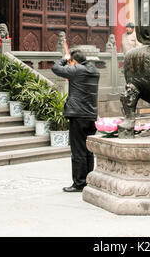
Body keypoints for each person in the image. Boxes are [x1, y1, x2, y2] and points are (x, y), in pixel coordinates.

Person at [52, 50, 100, 192]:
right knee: (88, 151)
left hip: (78, 115)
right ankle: (88, 180)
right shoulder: (94, 71)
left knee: (78, 151)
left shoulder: (77, 70)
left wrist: (64, 59)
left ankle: (79, 183)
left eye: (71, 62)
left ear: (75, 61)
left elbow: (56, 68)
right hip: (91, 115)